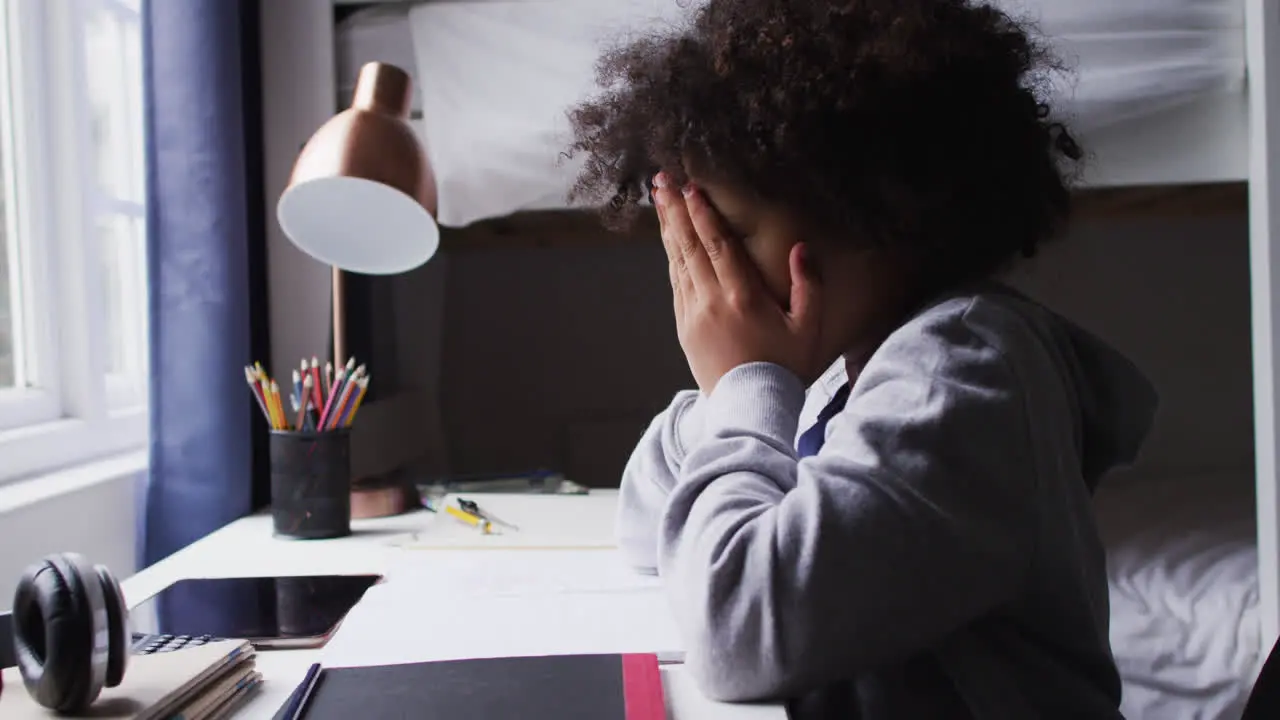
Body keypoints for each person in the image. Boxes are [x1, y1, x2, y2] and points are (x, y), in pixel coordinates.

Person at [566, 0, 1159, 718]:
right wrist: (737, 398)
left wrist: (748, 385)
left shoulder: (962, 373)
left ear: (874, 214)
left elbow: (739, 635)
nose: (705, 270)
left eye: (728, 233)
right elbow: (642, 525)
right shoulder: (838, 370)